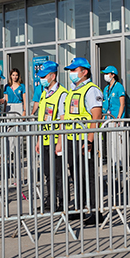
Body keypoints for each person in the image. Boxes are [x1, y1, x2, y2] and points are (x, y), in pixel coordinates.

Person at [56, 57, 104, 225]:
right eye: (70, 70)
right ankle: (79, 207)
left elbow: (96, 115)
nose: (71, 73)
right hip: (71, 138)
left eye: (74, 70)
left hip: (84, 139)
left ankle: (95, 211)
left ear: (84, 72)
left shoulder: (91, 90)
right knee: (76, 175)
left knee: (88, 175)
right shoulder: (72, 91)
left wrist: (89, 140)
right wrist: (61, 140)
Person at [34, 61, 68, 212]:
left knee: (58, 173)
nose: (41, 79)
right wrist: (38, 140)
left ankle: (63, 202)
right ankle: (50, 201)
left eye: (44, 76)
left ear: (53, 76)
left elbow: (62, 120)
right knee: (48, 173)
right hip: (45, 139)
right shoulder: (44, 94)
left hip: (56, 141)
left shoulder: (62, 94)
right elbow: (42, 119)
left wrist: (60, 142)